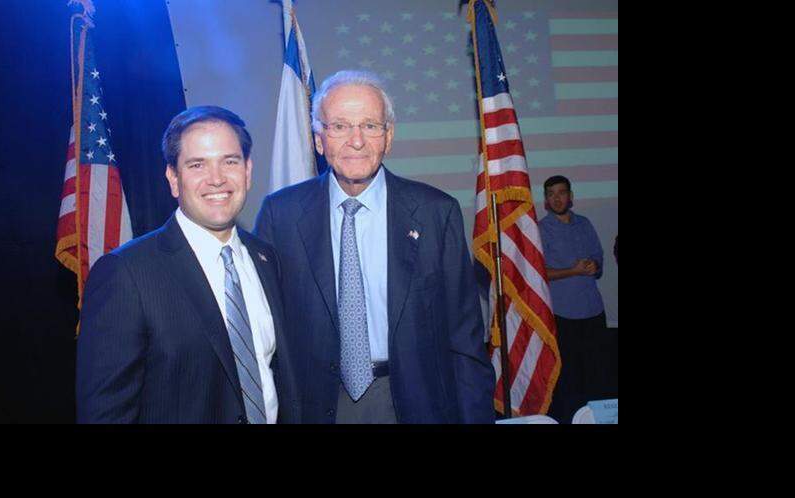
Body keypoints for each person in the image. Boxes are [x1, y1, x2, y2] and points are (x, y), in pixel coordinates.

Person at [254, 70, 494, 424]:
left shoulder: (435, 213)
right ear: (319, 140)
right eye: (339, 126)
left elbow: (464, 337)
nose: (356, 141)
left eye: (370, 125)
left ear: (389, 136)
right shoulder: (281, 215)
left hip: (415, 402)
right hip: (316, 404)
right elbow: (266, 333)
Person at [76, 106, 299, 423]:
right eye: (198, 165)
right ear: (173, 178)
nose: (217, 178)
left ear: (248, 171)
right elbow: (105, 415)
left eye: (230, 161)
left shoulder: (266, 258)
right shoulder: (126, 273)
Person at [538, 175, 609, 423]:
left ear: (571, 196)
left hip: (593, 310)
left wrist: (594, 265)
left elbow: (599, 259)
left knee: (596, 373)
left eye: (561, 192)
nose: (557, 198)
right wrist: (573, 270)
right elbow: (539, 272)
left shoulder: (585, 224)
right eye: (551, 194)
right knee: (568, 378)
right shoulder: (539, 229)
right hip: (562, 314)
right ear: (546, 200)